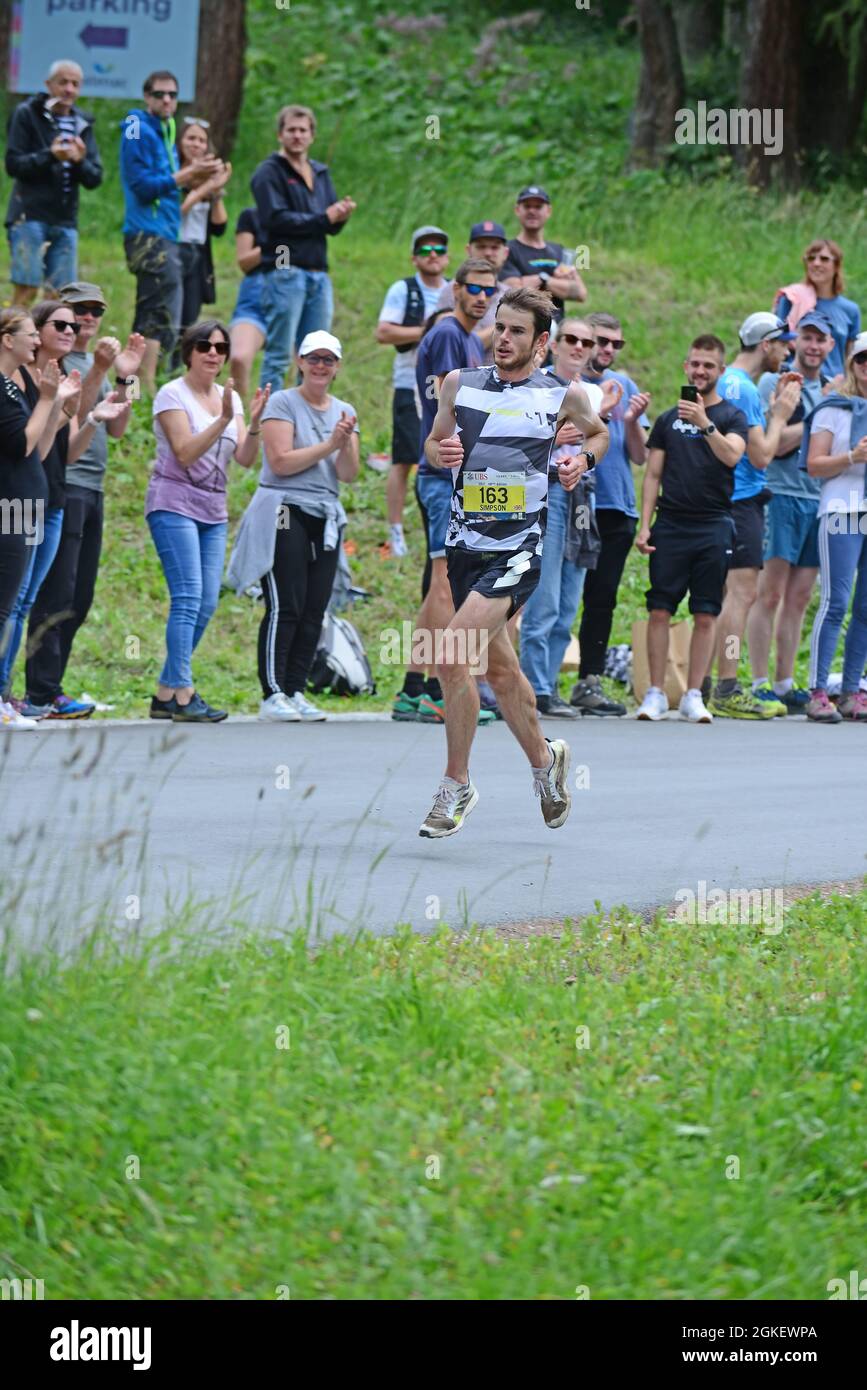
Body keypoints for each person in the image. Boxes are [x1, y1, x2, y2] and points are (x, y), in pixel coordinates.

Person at [417, 287, 609, 839]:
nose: (504, 338)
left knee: (452, 650)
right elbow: (433, 443)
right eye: (500, 327)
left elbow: (598, 432)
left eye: (517, 331)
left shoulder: (561, 394)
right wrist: (442, 452)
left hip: (518, 550)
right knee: (499, 671)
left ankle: (456, 785)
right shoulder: (460, 384)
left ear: (541, 341)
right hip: (465, 546)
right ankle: (545, 765)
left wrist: (580, 460)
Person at [22, 283, 144, 716]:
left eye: (96, 311)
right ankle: (42, 691)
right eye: (79, 311)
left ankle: (54, 686)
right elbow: (76, 413)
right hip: (62, 483)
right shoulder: (56, 360)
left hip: (93, 484)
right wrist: (99, 370)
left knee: (80, 595)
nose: (87, 319)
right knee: (54, 593)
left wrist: (127, 375)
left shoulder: (100, 362)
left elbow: (119, 426)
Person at [227, 331, 358, 722]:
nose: (320, 366)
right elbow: (280, 462)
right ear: (299, 362)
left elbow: (348, 474)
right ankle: (272, 692)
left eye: (328, 360)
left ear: (337, 367)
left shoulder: (344, 410)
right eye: (313, 358)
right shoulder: (282, 403)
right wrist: (331, 444)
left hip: (326, 512)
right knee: (286, 603)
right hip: (284, 508)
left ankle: (296, 689)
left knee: (315, 607)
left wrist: (346, 442)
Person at [146, 321, 269, 722]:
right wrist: (222, 419)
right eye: (204, 345)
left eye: (220, 347)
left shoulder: (225, 396)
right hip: (173, 503)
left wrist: (251, 422)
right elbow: (183, 453)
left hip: (213, 511)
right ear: (189, 352)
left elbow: (245, 460)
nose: (213, 353)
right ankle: (183, 694)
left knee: (207, 602)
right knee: (186, 597)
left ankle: (165, 691)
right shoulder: (171, 395)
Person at [391, 260, 492, 726]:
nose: (482, 296)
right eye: (473, 288)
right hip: (442, 471)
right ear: (455, 289)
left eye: (489, 290)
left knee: (443, 583)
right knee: (444, 583)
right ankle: (433, 688)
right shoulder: (451, 333)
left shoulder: (472, 337)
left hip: (456, 472)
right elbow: (459, 404)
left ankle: (414, 687)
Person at [635, 335, 750, 723]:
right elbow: (652, 475)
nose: (700, 371)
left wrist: (704, 424)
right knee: (659, 609)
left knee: (706, 612)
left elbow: (733, 455)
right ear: (686, 367)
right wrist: (644, 525)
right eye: (695, 364)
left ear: (720, 371)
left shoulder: (732, 416)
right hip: (670, 524)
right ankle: (654, 692)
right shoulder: (668, 419)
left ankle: (694, 694)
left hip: (714, 525)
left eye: (709, 366)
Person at [519, 317, 616, 717]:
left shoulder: (589, 392)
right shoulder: (534, 385)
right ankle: (535, 689)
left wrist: (586, 447)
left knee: (568, 600)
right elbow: (512, 441)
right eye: (571, 339)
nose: (579, 346)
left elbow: (599, 440)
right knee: (544, 597)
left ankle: (550, 686)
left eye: (586, 342)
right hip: (548, 491)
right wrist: (556, 437)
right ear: (553, 344)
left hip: (582, 496)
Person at [708, 313, 802, 719]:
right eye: (784, 344)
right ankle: (727, 686)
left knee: (725, 596)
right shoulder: (745, 390)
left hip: (718, 498)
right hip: (742, 499)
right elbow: (762, 454)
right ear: (766, 344)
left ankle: (709, 682)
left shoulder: (726, 380)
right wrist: (781, 412)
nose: (788, 351)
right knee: (742, 595)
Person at [746, 313, 836, 713]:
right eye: (808, 338)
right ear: (796, 342)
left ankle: (785, 681)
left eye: (823, 340)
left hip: (818, 499)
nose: (814, 346)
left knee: (799, 597)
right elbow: (776, 445)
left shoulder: (836, 389)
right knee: (771, 593)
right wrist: (820, 415)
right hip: (780, 494)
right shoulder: (777, 382)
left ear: (832, 346)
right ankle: (759, 681)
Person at [570, 312, 651, 716]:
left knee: (602, 600)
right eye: (601, 340)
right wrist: (602, 409)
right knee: (558, 598)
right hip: (575, 504)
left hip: (617, 505)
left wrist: (633, 420)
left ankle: (590, 680)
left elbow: (640, 455)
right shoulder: (566, 384)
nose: (607, 350)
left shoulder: (626, 385)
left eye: (616, 344)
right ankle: (538, 680)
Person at [120, 70, 221, 392]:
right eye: (160, 94)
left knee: (159, 311)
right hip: (147, 233)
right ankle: (142, 388)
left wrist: (205, 181)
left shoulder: (168, 129)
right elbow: (140, 185)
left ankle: (140, 386)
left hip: (167, 233)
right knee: (154, 314)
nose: (167, 100)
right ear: (147, 96)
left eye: (172, 95)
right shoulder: (136, 124)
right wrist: (187, 175)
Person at [251, 104, 355, 391]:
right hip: (285, 270)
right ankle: (268, 419)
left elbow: (327, 226)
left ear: (312, 135)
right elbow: (276, 219)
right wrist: (324, 218)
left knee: (316, 353)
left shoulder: (320, 172)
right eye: (291, 130)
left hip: (318, 272)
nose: (297, 136)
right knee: (279, 354)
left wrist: (339, 215)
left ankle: (307, 419)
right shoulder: (268, 172)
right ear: (280, 134)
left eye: (303, 130)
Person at [802, 331, 867, 723]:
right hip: (842, 511)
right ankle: (818, 689)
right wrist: (852, 456)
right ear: (852, 364)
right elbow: (814, 465)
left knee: (866, 606)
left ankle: (852, 690)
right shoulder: (834, 407)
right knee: (836, 600)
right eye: (863, 360)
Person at [376, 225, 450, 557]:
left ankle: (439, 527)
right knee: (405, 457)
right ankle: (395, 530)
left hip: (448, 387)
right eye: (424, 250)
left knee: (444, 456)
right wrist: (430, 331)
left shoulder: (455, 291)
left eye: (438, 249)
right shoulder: (403, 289)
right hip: (410, 383)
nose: (432, 255)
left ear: (448, 257)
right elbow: (384, 332)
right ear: (413, 257)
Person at [0, 309, 58, 729]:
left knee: (13, 604)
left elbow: (39, 449)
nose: (36, 341)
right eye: (29, 334)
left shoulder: (17, 385)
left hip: (27, 505)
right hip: (11, 507)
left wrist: (56, 406)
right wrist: (50, 399)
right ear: (7, 339)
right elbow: (21, 443)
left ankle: (3, 696)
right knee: (4, 608)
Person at [5, 60, 103, 305]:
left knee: (60, 298)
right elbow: (13, 164)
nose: (69, 89)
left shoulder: (83, 123)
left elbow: (95, 178)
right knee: (26, 291)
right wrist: (51, 156)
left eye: (75, 84)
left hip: (66, 221)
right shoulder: (27, 113)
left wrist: (79, 161)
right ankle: (12, 341)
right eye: (63, 82)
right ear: (49, 85)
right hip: (29, 216)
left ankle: (44, 343)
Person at [175, 119, 230, 345]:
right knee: (171, 314)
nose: (196, 144)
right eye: (191, 138)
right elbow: (175, 215)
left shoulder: (209, 181)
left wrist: (214, 192)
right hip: (174, 248)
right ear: (180, 142)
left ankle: (177, 366)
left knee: (189, 319)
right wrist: (201, 191)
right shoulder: (172, 176)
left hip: (199, 252)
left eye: (201, 140)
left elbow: (219, 227)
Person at [773, 239, 860, 380]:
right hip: (796, 382)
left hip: (835, 386)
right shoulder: (792, 298)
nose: (816, 263)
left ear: (837, 265)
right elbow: (776, 344)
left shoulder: (850, 310)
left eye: (824, 259)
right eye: (811, 258)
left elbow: (850, 357)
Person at [500, 186, 587, 326]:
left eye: (538, 206)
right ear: (517, 210)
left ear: (548, 211)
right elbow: (513, 291)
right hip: (523, 328)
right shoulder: (507, 250)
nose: (532, 211)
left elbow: (580, 293)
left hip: (556, 334)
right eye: (527, 206)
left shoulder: (559, 251)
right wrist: (557, 284)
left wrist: (543, 280)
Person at [436, 220, 508, 363]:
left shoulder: (510, 294)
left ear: (505, 253)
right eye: (481, 247)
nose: (488, 253)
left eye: (494, 247)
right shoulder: (453, 290)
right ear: (468, 250)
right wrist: (506, 324)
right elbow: (454, 345)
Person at [229, 206, 266, 399]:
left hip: (289, 298)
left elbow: (284, 266)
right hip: (253, 301)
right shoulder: (251, 215)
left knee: (304, 363)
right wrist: (274, 245)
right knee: (238, 358)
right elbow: (244, 262)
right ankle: (239, 414)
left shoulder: (300, 215)